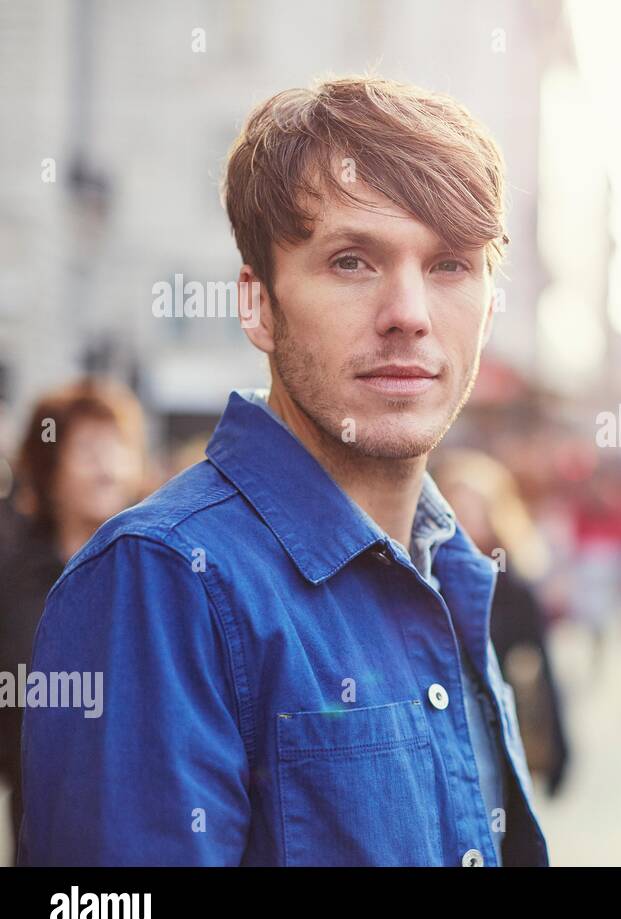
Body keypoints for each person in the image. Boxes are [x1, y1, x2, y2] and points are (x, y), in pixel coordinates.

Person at [20, 76, 547, 866]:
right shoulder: (163, 581)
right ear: (259, 304)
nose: (408, 311)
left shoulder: (451, 568)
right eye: (351, 260)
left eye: (449, 266)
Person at [0, 379, 145, 865]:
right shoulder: (13, 575)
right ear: (49, 465)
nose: (105, 465)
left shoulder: (160, 568)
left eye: (114, 447)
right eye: (86, 448)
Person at [433, 449, 569, 798]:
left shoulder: (513, 585)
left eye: (474, 508)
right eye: (456, 507)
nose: (466, 519)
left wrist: (560, 747)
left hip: (493, 727)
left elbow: (545, 665)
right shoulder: (423, 574)